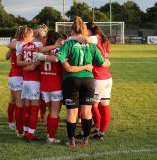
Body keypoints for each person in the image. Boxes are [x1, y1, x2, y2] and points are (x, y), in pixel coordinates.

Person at [35, 16, 110, 148]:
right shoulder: (91, 45)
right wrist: (107, 62)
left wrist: (42, 57)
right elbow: (102, 62)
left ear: (72, 32)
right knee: (87, 112)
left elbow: (58, 59)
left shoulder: (69, 43)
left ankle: (71, 140)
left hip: (71, 80)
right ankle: (85, 139)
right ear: (84, 30)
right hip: (88, 80)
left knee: (72, 113)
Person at [70, 22, 112, 140]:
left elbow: (98, 58)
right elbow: (106, 58)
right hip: (107, 77)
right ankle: (100, 131)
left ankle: (86, 131)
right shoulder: (102, 40)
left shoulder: (92, 39)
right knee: (103, 105)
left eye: (85, 30)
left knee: (88, 106)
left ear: (89, 31)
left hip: (97, 77)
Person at [5, 28, 23, 131]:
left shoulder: (14, 44)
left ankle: (11, 121)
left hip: (12, 75)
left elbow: (6, 57)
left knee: (13, 100)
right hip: (19, 76)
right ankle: (18, 126)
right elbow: (7, 57)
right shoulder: (20, 44)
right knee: (20, 102)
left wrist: (11, 48)